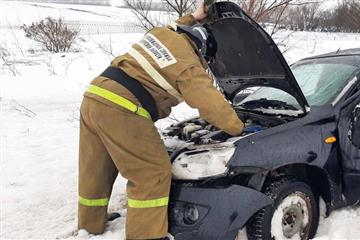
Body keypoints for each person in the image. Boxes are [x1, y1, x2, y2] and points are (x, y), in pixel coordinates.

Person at [78, 1, 244, 239]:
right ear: (201, 49)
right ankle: (147, 236)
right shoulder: (188, 64)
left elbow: (180, 25)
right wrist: (238, 127)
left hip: (95, 96)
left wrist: (195, 16)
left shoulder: (163, 33)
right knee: (152, 172)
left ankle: (90, 224)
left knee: (95, 168)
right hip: (122, 107)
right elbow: (212, 105)